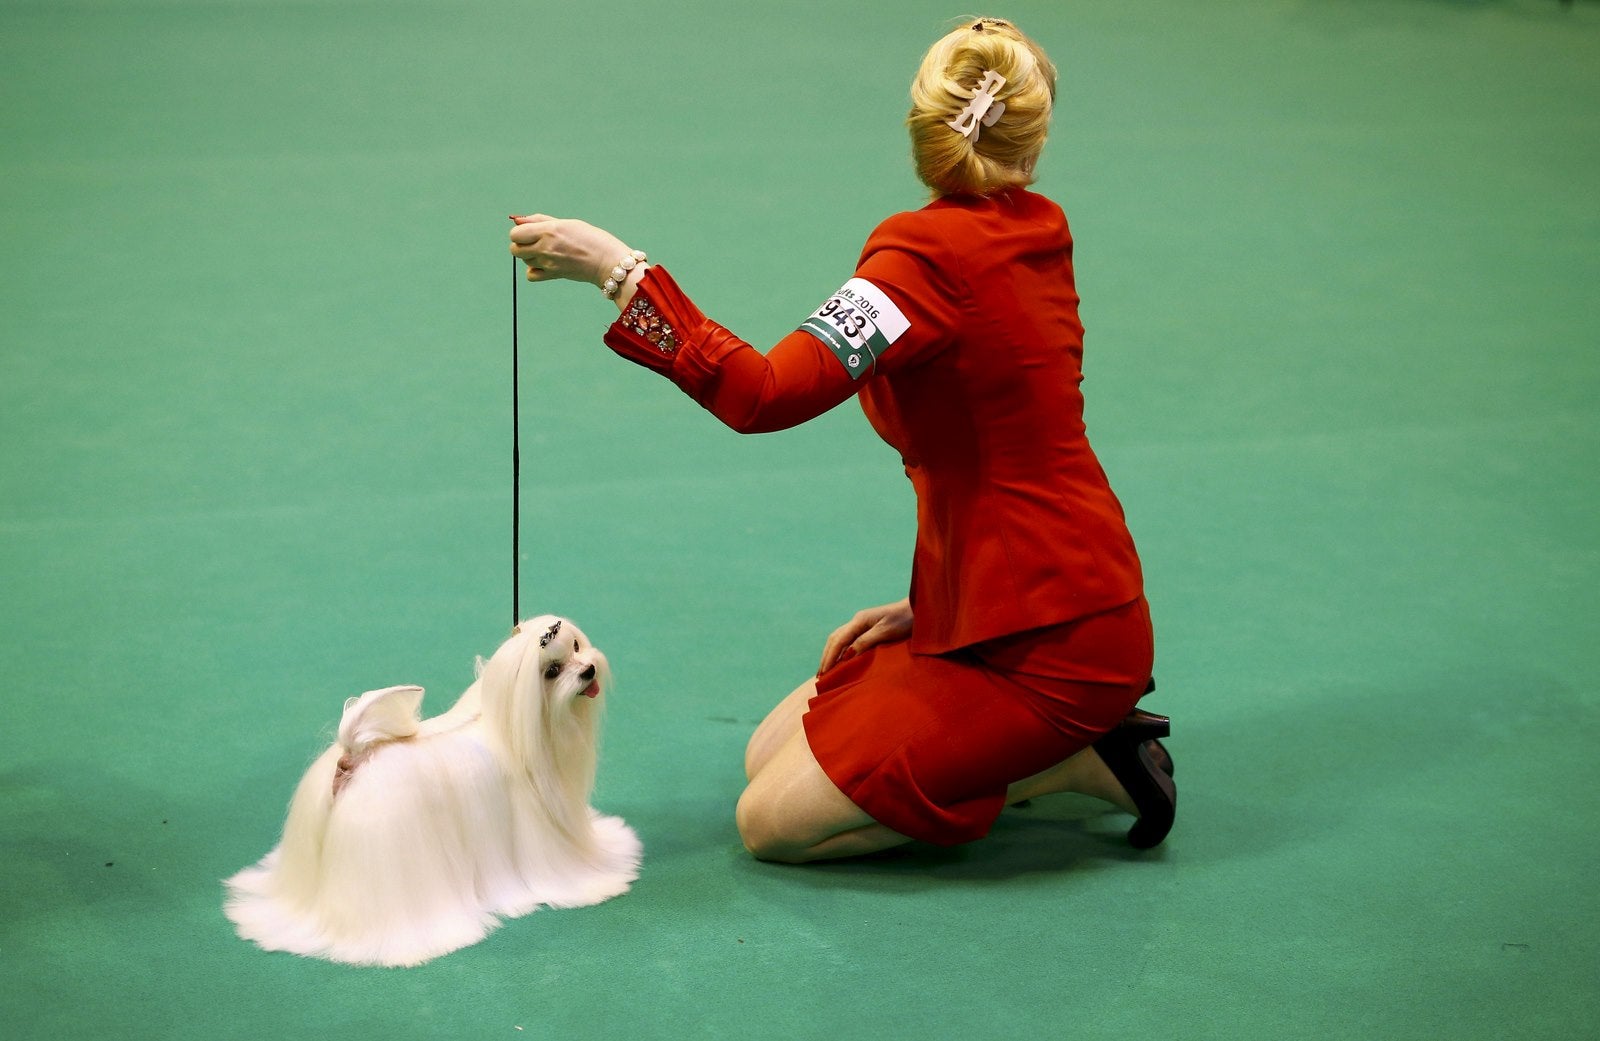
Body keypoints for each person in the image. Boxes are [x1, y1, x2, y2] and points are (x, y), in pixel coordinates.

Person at [509, 17, 1175, 864]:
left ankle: (1078, 757)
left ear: (922, 129)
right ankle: (1037, 740)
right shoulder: (1037, 225)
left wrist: (617, 269)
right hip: (1009, 600)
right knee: (766, 754)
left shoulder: (920, 259)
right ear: (1034, 137)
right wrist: (938, 598)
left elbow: (763, 394)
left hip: (1060, 643)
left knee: (771, 824)